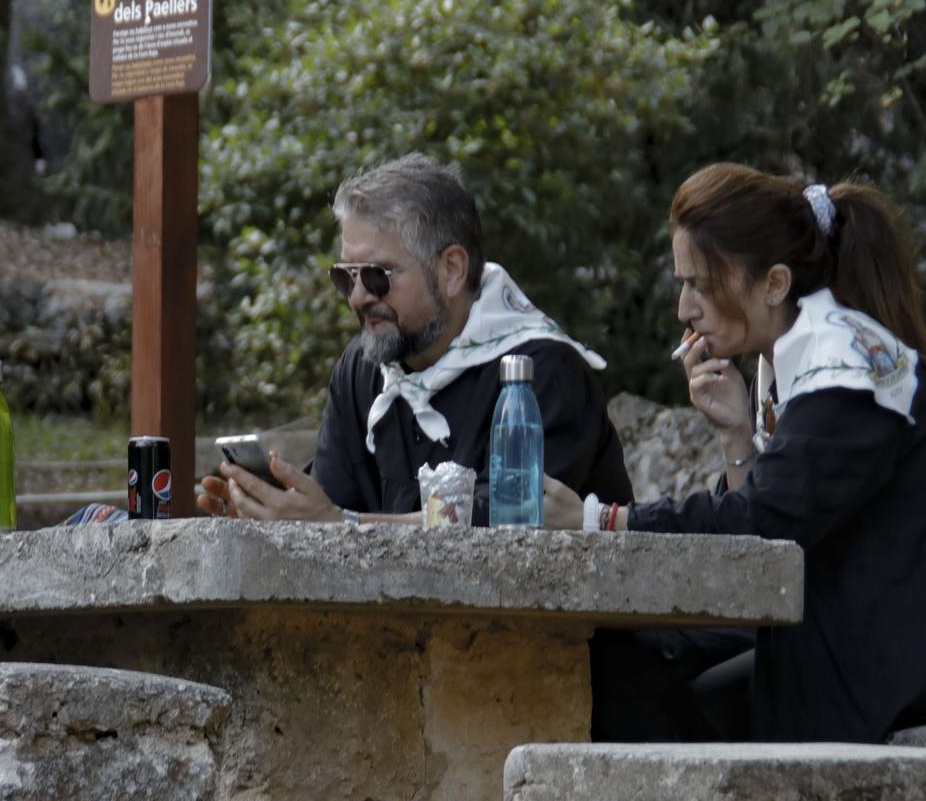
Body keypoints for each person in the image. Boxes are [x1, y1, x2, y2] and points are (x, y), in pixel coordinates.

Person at [546, 162, 926, 743]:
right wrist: (738, 435)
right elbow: (770, 524)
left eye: (701, 284)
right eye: (682, 284)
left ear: (775, 283)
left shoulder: (845, 368)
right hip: (846, 642)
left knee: (640, 699)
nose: (686, 309)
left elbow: (763, 524)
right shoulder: (794, 358)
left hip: (897, 676)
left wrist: (600, 519)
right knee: (623, 663)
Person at [196, 152, 632, 526]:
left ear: (451, 270)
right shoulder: (364, 366)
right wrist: (272, 512)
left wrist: (339, 525)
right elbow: (329, 509)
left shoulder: (540, 373)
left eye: (377, 276)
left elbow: (505, 535)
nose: (359, 297)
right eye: (344, 277)